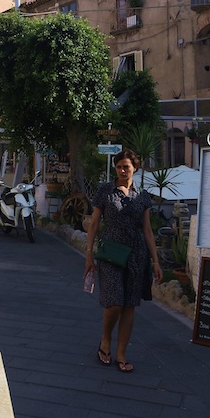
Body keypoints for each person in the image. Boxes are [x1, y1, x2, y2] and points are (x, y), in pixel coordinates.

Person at [83, 150, 162, 374]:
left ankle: (121, 353)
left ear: (135, 168)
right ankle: (105, 339)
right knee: (114, 302)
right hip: (111, 252)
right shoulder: (105, 191)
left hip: (136, 255)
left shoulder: (143, 196)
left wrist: (155, 261)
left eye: (126, 166)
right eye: (119, 166)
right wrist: (89, 254)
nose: (122, 170)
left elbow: (147, 230)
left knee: (129, 305)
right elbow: (95, 223)